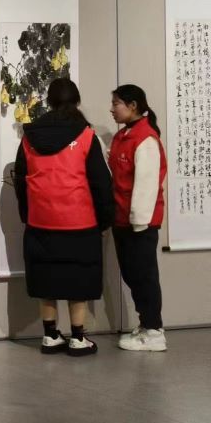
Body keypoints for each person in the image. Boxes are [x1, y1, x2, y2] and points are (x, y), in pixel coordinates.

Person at [13, 78, 114, 357]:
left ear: (50, 101)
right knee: (77, 275)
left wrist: (27, 215)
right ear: (76, 101)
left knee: (46, 275)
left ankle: (49, 335)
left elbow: (20, 180)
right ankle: (78, 337)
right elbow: (100, 182)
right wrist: (105, 219)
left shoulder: (29, 137)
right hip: (79, 221)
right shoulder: (86, 136)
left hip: (41, 220)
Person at [109, 84, 168, 352]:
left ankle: (154, 332)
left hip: (139, 223)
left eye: (116, 103)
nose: (112, 109)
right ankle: (146, 325)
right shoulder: (123, 136)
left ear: (132, 106)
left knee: (144, 276)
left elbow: (147, 185)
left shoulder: (145, 138)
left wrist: (139, 222)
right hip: (122, 219)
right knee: (133, 275)